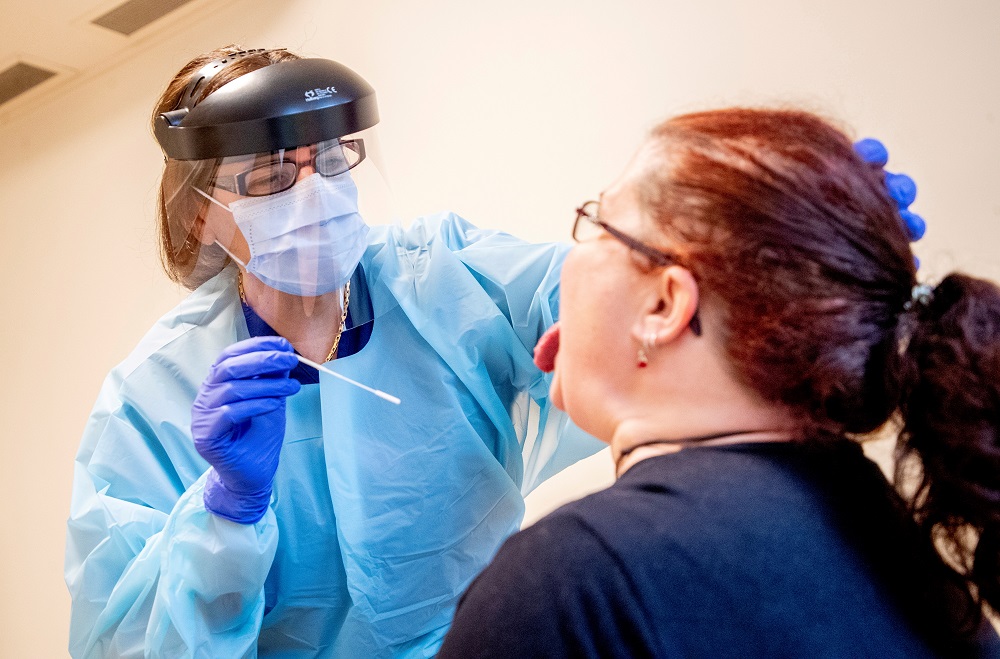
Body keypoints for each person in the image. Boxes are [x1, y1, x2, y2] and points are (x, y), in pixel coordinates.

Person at [64, 45, 607, 657]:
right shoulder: (153, 395)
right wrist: (225, 515)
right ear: (199, 215)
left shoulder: (442, 276)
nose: (314, 193)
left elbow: (611, 298)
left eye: (331, 159)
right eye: (270, 177)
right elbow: (129, 643)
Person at [438, 108, 1000, 658]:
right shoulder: (902, 554)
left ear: (663, 305)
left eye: (600, 224)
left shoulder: (571, 583)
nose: (568, 262)